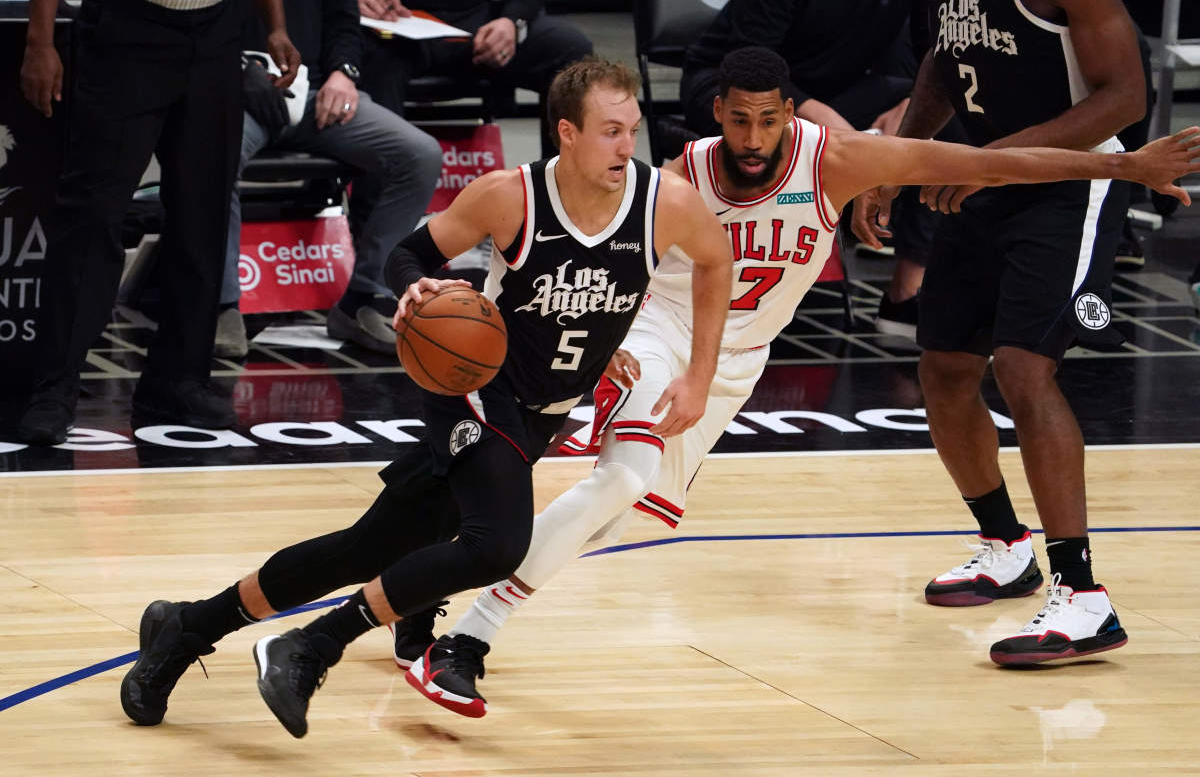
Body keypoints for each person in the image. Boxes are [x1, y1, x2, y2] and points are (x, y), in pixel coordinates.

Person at [398, 45, 1200, 715]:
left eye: (769, 119)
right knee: (620, 480)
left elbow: (991, 163)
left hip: (736, 363)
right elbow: (606, 248)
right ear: (717, 113)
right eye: (738, 120)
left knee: (613, 513)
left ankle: (440, 573)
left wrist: (1125, 165)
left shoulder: (839, 161)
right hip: (660, 335)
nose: (753, 138)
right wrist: (597, 335)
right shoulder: (684, 172)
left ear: (791, 113)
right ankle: (466, 640)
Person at [116, 57, 734, 739]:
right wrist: (417, 287)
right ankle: (310, 647)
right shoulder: (511, 196)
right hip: (476, 388)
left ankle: (185, 627)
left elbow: (716, 261)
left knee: (364, 549)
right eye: (611, 131)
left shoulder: (664, 203)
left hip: (542, 414)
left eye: (633, 129)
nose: (627, 146)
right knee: (498, 544)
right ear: (567, 132)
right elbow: (407, 255)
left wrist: (698, 375)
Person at [853, 0, 1155, 665]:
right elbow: (943, 62)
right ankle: (1006, 544)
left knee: (1022, 369)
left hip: (1067, 186)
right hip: (983, 172)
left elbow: (1125, 97)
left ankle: (1083, 596)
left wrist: (993, 165)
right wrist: (900, 159)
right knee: (944, 369)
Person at [14, 0, 300, 445]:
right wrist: (39, 41)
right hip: (127, 30)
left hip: (216, 34)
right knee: (92, 215)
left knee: (203, 215)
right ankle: (53, 388)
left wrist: (276, 26)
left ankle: (178, 382)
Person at [680, 0, 951, 338]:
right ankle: (726, 287)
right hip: (731, 84)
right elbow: (749, 60)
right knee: (770, 125)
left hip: (832, 90)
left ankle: (905, 295)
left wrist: (911, 106)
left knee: (944, 111)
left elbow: (931, 55)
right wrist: (834, 131)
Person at [215, 0, 443, 358]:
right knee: (215, 154)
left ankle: (364, 299)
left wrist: (343, 73)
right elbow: (197, 23)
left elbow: (344, 21)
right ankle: (220, 306)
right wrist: (236, 72)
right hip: (235, 91)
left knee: (420, 154)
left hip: (316, 95)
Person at [356, 0, 593, 157]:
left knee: (570, 51)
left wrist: (512, 20)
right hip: (389, 22)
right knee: (373, 63)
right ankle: (377, 205)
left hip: (475, 21)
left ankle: (560, 195)